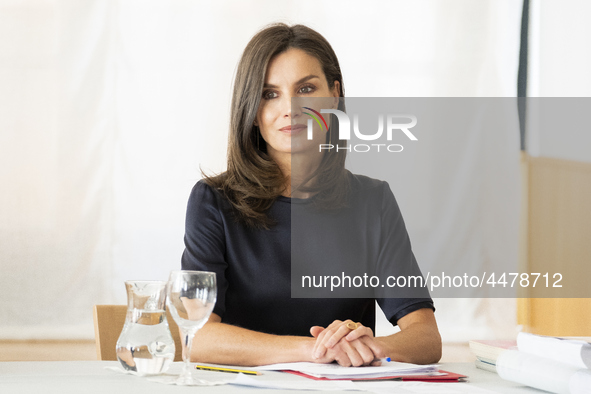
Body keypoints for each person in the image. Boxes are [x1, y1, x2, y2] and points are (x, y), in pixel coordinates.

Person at [181, 23, 442, 367]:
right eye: (269, 93)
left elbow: (425, 337)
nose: (291, 107)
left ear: (334, 95)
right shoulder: (212, 201)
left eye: (306, 88)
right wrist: (315, 349)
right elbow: (198, 336)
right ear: (252, 111)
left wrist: (369, 347)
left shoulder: (372, 201)